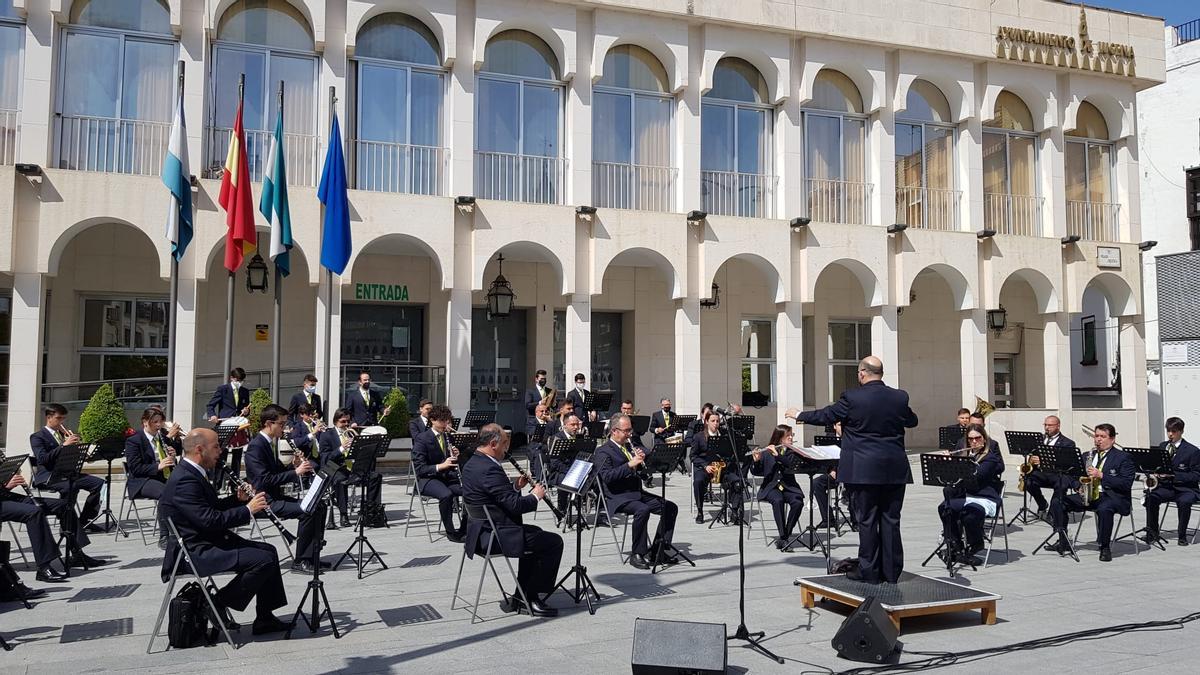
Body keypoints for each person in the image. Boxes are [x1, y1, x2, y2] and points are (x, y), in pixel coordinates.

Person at [787, 356, 918, 585]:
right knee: (890, 520)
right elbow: (912, 421)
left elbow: (826, 415)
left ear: (862, 373)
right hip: (894, 468)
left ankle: (869, 571)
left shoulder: (852, 397)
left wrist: (799, 415)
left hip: (863, 469)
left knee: (866, 520)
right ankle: (891, 572)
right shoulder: (899, 397)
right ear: (881, 373)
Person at [158, 428, 291, 636]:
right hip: (194, 551)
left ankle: (265, 618)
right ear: (200, 450)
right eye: (216, 447)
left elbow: (209, 510)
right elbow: (210, 521)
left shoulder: (193, 472)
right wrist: (248, 510)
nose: (221, 451)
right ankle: (216, 603)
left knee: (269, 551)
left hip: (207, 540)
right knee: (262, 559)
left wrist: (236, 501)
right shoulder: (185, 479)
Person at [461, 423, 563, 617]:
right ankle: (532, 597)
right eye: (505, 444)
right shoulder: (490, 469)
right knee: (553, 542)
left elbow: (495, 496)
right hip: (495, 535)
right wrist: (535, 496)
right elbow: (515, 506)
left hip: (481, 530)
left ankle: (521, 595)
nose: (507, 449)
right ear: (493, 444)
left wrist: (515, 486)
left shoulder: (473, 462)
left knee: (537, 534)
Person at [243, 404, 327, 571]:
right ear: (269, 424)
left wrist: (292, 466)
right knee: (308, 511)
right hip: (265, 501)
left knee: (320, 505)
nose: (285, 428)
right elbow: (263, 480)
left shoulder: (269, 443)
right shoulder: (256, 446)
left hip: (275, 496)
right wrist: (296, 472)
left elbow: (275, 471)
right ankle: (301, 560)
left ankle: (312, 555)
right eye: (281, 424)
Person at [593, 413, 679, 570]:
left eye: (630, 430)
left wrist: (643, 463)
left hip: (636, 492)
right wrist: (629, 465)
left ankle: (657, 551)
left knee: (670, 507)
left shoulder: (629, 447)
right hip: (617, 496)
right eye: (626, 431)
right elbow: (606, 477)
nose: (629, 434)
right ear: (614, 431)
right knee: (642, 510)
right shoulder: (603, 451)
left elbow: (641, 473)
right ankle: (637, 554)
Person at [1044, 423, 1134, 562]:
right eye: (1096, 436)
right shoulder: (1087, 455)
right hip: (1088, 495)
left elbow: (1126, 483)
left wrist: (1102, 476)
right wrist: (1077, 486)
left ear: (1112, 439)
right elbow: (1071, 475)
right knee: (1058, 502)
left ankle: (1104, 547)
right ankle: (1064, 541)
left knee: (1104, 509)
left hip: (1112, 496)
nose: (1098, 439)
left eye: (1102, 437)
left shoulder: (1123, 457)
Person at [1, 468, 102, 582]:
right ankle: (44, 568)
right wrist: (4, 486)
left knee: (64, 506)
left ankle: (77, 553)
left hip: (5, 496)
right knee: (34, 513)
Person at [30, 403, 106, 533]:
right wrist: (64, 446)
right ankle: (66, 523)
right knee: (71, 486)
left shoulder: (63, 434)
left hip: (68, 473)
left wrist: (82, 452)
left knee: (101, 484)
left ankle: (85, 520)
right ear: (49, 417)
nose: (62, 422)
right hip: (49, 475)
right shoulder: (37, 437)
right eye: (59, 418)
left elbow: (69, 457)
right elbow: (42, 459)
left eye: (63, 418)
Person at [937, 424, 1004, 566]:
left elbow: (977, 477)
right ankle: (955, 545)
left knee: (971, 513)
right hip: (966, 497)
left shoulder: (990, 458)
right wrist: (947, 464)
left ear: (984, 439)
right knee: (944, 507)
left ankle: (976, 544)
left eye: (977, 438)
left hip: (984, 497)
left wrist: (955, 463)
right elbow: (954, 480)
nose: (974, 442)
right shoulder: (964, 456)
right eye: (970, 439)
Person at [124, 406, 182, 544]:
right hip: (142, 481)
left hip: (162, 477)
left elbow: (176, 453)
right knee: (165, 494)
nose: (158, 425)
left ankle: (184, 528)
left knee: (185, 488)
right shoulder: (134, 440)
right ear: (145, 422)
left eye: (160, 422)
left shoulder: (161, 436)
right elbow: (135, 468)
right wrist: (158, 466)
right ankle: (165, 536)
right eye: (154, 422)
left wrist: (173, 454)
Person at [412, 404, 466, 542]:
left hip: (447, 478)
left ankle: (465, 528)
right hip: (428, 479)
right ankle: (450, 531)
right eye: (442, 421)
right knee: (446, 495)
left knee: (470, 492)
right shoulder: (422, 439)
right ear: (433, 420)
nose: (445, 424)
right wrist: (441, 466)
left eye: (447, 420)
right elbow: (420, 468)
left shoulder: (448, 436)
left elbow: (451, 461)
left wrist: (456, 455)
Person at [1143, 417, 1199, 546]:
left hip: (1186, 489)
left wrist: (1173, 475)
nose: (1170, 434)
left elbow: (1196, 475)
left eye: (1174, 431)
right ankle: (1153, 532)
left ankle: (1182, 535)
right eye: (1168, 431)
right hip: (1167, 488)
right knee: (1151, 497)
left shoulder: (1193, 451)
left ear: (1181, 431)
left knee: (1184, 502)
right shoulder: (1163, 446)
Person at [751, 425, 805, 552]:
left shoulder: (793, 452)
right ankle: (783, 536)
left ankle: (785, 535)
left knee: (798, 502)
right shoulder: (767, 452)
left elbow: (791, 466)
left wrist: (778, 456)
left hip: (789, 487)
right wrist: (757, 461)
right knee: (778, 500)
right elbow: (756, 472)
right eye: (788, 436)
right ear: (780, 439)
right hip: (771, 487)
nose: (791, 438)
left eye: (792, 435)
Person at [690, 411, 743, 525]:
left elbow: (732, 453)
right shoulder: (698, 437)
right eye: (713, 421)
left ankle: (734, 512)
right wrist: (705, 466)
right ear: (706, 422)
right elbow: (693, 456)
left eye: (717, 421)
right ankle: (700, 511)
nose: (715, 423)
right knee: (698, 482)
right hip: (706, 468)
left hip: (722, 468)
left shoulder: (725, 435)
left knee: (738, 482)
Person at [1021, 415, 1076, 517]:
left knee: (1061, 485)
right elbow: (1032, 455)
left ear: (1058, 426)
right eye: (1045, 425)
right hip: (1041, 473)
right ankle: (1042, 504)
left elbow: (1066, 463)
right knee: (1027, 481)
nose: (1047, 427)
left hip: (1057, 474)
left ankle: (1052, 513)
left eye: (1050, 425)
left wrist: (1043, 461)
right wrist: (1031, 459)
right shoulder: (1039, 440)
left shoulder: (1068, 443)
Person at [524, 402, 554, 481]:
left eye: (546, 411)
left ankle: (553, 477)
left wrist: (551, 422)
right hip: (535, 446)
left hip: (547, 446)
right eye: (542, 411)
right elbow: (531, 432)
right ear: (536, 412)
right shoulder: (531, 421)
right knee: (539, 454)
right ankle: (539, 480)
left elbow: (557, 432)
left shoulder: (550, 422)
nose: (544, 413)